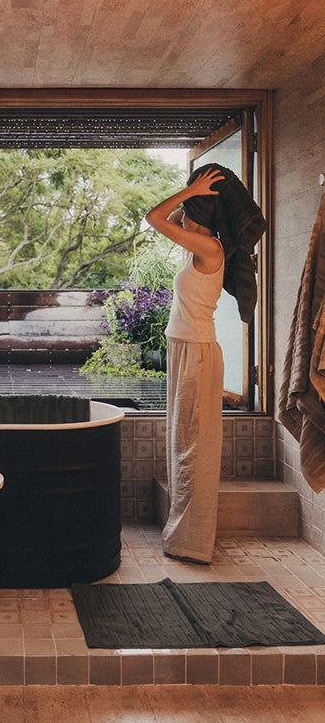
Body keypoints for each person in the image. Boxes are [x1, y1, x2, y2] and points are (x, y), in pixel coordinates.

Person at [145, 165, 225, 564]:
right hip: (185, 349)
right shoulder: (198, 245)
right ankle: (182, 534)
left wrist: (190, 189)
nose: (183, 221)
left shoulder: (210, 249)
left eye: (190, 213)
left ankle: (193, 543)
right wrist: (193, 195)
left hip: (196, 351)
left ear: (199, 222)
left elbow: (155, 218)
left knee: (195, 447)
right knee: (182, 443)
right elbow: (171, 218)